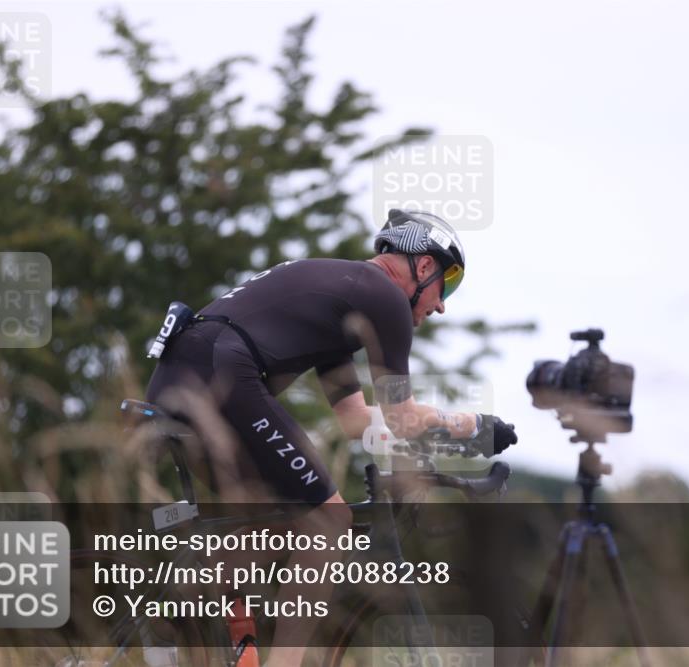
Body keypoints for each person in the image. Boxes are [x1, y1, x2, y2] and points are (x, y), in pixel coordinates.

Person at [144, 208, 518, 666]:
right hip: (222, 373)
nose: (441, 304)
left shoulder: (343, 306)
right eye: (450, 282)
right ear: (424, 266)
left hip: (181, 376)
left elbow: (355, 420)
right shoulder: (384, 298)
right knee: (330, 520)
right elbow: (401, 416)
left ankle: (182, 615)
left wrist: (436, 445)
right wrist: (473, 426)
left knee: (280, 515)